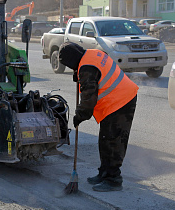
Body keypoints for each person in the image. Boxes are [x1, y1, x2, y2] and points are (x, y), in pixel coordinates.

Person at [59, 42, 138, 192]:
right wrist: (79, 73)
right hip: (117, 100)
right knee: (105, 140)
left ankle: (113, 179)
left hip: (121, 102)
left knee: (113, 141)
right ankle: (104, 173)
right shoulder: (93, 54)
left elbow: (88, 99)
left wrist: (79, 116)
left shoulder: (87, 69)